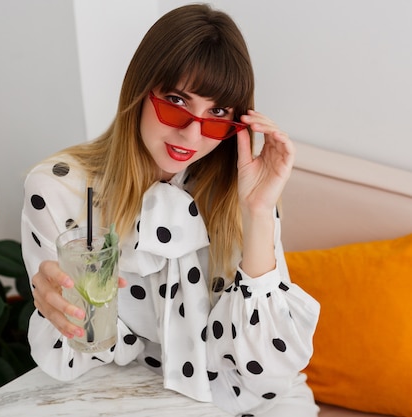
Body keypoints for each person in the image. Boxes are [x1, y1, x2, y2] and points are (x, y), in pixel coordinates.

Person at [21, 3, 320, 416]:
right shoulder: (60, 191)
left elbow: (268, 367)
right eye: (177, 100)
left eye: (217, 113)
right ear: (140, 91)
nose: (192, 133)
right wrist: (55, 308)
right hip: (141, 392)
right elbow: (81, 350)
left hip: (262, 397)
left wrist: (258, 211)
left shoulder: (241, 191)